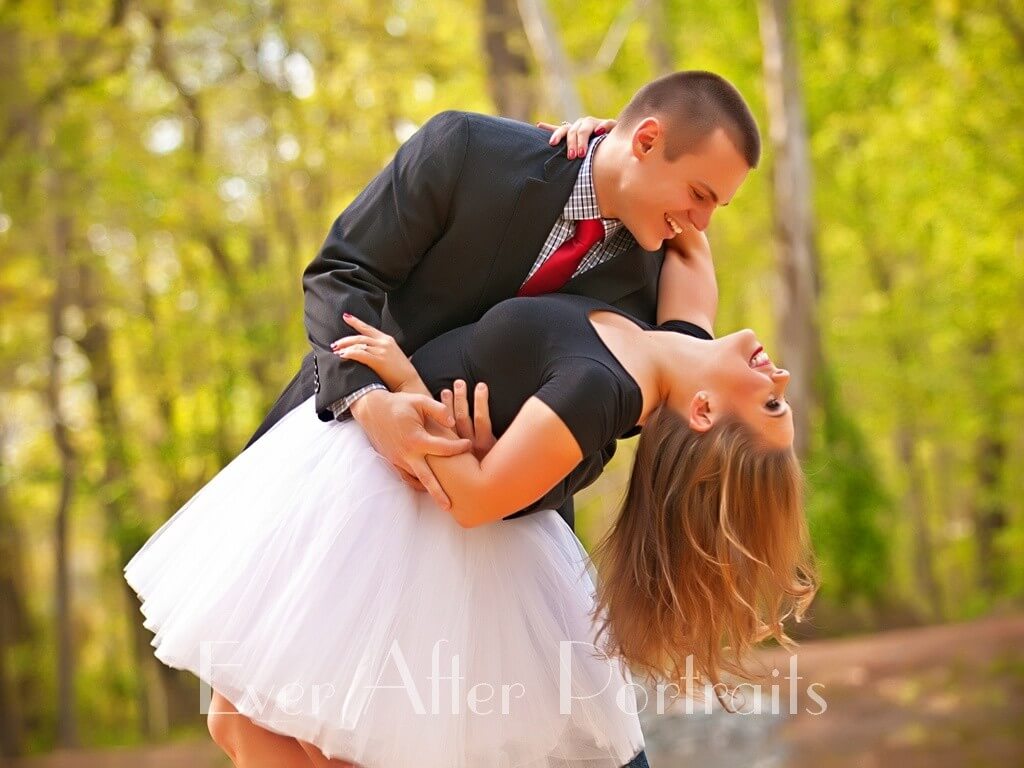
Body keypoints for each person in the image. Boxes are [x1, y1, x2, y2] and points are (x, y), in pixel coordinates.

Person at [123, 238, 817, 768]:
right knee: (242, 722)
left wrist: (404, 383)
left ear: (702, 411)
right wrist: (601, 139)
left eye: (771, 401)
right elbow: (691, 226)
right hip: (362, 485)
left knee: (280, 731)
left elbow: (476, 499)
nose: (777, 371)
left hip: (408, 516)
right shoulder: (679, 341)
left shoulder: (600, 386)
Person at [244, 70, 761, 538]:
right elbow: (343, 271)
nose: (702, 221)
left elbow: (602, 440)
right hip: (340, 448)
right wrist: (371, 402)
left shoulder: (656, 298)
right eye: (699, 193)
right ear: (647, 141)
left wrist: (511, 472)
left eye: (717, 205)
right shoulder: (466, 149)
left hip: (490, 536)